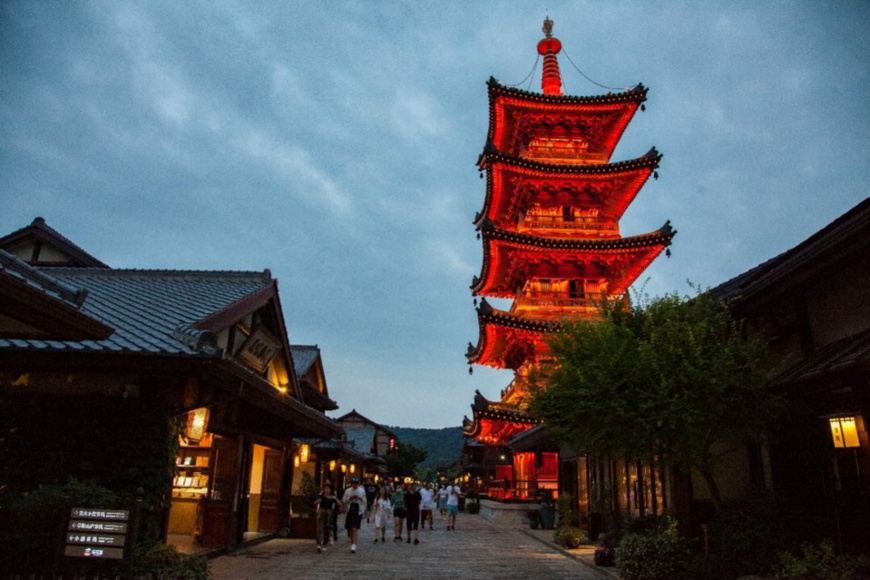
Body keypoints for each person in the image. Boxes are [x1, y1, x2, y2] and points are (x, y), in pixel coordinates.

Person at [314, 483, 342, 553]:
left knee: (327, 528)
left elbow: (339, 504)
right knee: (320, 528)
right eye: (325, 489)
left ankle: (324, 543)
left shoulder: (333, 498)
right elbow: (315, 502)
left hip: (329, 513)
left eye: (328, 489)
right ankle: (319, 544)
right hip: (322, 512)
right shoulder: (321, 497)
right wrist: (317, 502)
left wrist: (335, 499)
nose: (326, 490)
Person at [342, 477, 366, 553]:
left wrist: (360, 498)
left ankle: (354, 545)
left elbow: (365, 501)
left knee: (354, 528)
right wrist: (350, 498)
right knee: (350, 528)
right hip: (350, 509)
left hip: (358, 509)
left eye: (356, 483)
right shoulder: (348, 491)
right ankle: (352, 542)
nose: (355, 485)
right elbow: (344, 500)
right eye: (353, 483)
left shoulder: (361, 490)